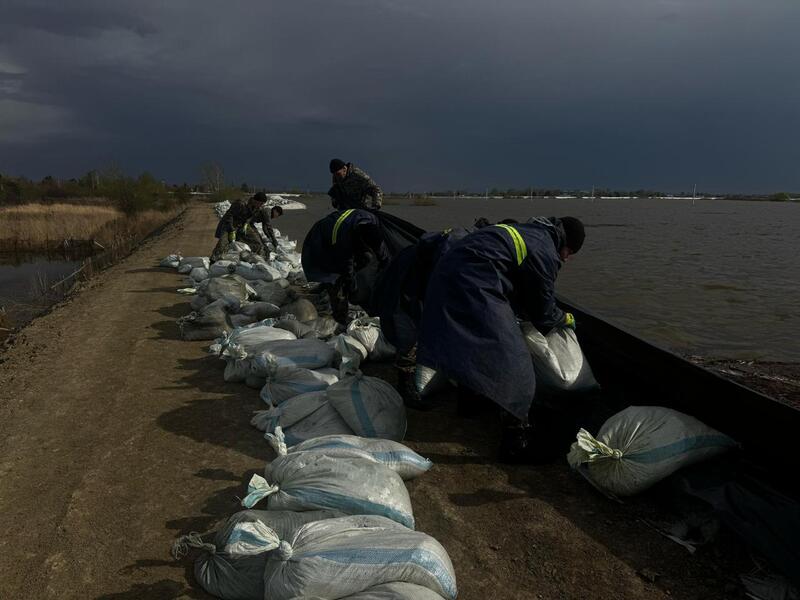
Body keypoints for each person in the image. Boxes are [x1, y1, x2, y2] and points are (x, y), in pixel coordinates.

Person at [412, 216, 586, 462]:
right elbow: (543, 312)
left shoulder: (531, 232)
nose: (566, 259)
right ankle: (516, 442)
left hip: (448, 276)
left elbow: (515, 280)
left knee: (470, 345)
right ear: (565, 244)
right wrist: (565, 318)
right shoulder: (545, 250)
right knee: (514, 359)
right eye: (569, 253)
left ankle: (469, 403)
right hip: (473, 284)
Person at [301, 208, 391, 324]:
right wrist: (352, 288)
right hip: (324, 240)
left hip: (349, 233)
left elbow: (381, 251)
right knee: (336, 280)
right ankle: (340, 318)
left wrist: (386, 267)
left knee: (368, 260)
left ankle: (363, 295)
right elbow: (345, 267)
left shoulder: (373, 223)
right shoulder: (342, 238)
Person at [211, 192, 283, 261]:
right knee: (223, 242)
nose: (261, 205)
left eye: (262, 204)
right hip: (229, 224)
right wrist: (231, 229)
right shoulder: (241, 204)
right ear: (256, 200)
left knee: (257, 241)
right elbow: (229, 216)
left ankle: (255, 257)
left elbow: (252, 218)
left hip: (242, 224)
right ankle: (214, 260)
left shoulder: (257, 208)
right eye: (260, 203)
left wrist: (246, 224)